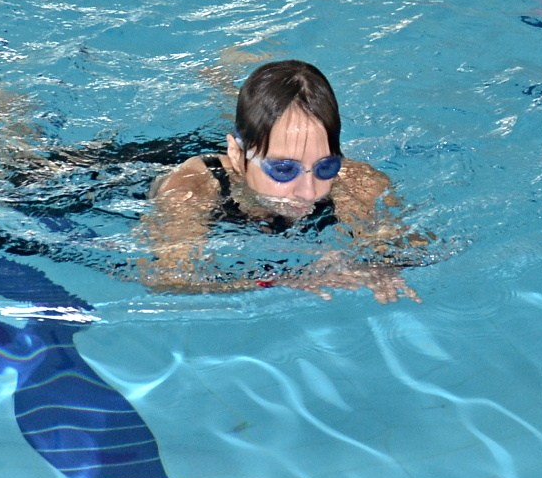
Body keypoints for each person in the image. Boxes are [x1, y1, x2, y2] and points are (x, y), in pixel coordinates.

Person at [140, 60, 423, 303]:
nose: (308, 192)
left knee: (265, 132)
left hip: (255, 152)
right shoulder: (191, 188)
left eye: (325, 167)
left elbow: (411, 247)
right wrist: (284, 281)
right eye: (284, 170)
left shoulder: (357, 182)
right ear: (236, 156)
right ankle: (222, 77)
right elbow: (166, 279)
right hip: (153, 161)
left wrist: (380, 267)